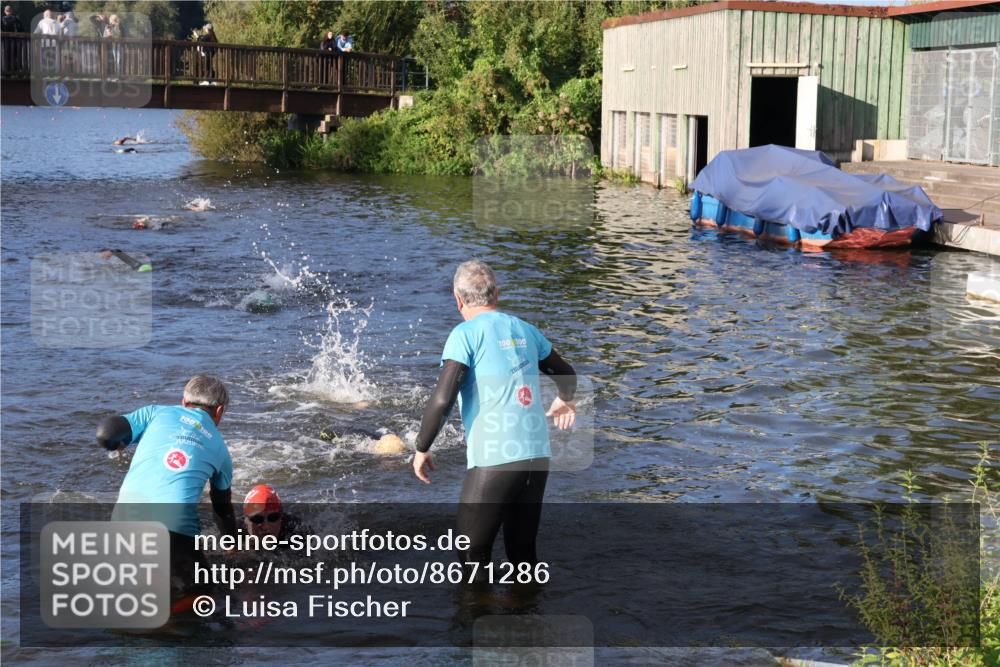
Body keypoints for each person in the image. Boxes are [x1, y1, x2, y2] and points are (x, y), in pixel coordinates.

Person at [412, 260, 577, 578]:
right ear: (496, 294)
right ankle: (526, 617)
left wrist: (422, 447)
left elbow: (444, 397)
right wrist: (563, 401)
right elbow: (567, 375)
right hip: (536, 457)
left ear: (457, 299)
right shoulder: (525, 329)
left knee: (471, 557)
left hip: (495, 458)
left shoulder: (464, 335)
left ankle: (473, 622)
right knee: (523, 555)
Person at [97, 375, 238, 597]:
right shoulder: (221, 450)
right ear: (219, 411)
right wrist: (234, 546)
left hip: (123, 520)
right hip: (174, 530)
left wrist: (114, 444)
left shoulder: (154, 413)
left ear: (183, 401)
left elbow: (106, 433)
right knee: (208, 596)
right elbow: (222, 508)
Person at [242, 484, 310, 544]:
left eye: (273, 518)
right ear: (245, 520)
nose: (266, 527)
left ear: (281, 518)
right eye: (257, 519)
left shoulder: (298, 534)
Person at [33, 9, 59, 73]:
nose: (43, 16)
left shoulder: (42, 21)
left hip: (45, 43)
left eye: (44, 15)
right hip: (54, 44)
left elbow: (36, 32)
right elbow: (60, 32)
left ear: (46, 15)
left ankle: (45, 73)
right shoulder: (56, 22)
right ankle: (52, 73)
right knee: (53, 59)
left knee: (44, 59)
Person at [2, 6, 24, 75]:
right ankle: (17, 72)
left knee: (7, 56)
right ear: (11, 11)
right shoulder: (16, 19)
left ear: (5, 11)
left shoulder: (2, 19)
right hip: (16, 41)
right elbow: (21, 29)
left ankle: (7, 73)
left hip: (6, 41)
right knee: (16, 56)